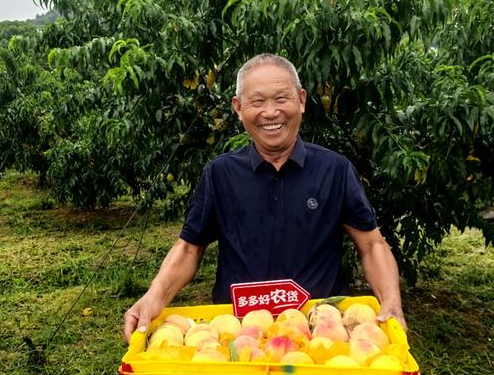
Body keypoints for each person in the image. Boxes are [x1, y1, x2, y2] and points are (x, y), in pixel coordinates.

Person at [123, 53, 405, 343]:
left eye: (281, 99)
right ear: (238, 108)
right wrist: (154, 296)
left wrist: (391, 302)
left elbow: (371, 245)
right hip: (235, 333)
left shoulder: (334, 170)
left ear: (302, 100)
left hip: (319, 335)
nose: (270, 112)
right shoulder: (221, 174)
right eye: (257, 102)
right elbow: (189, 248)